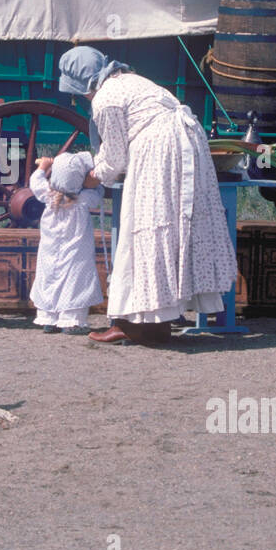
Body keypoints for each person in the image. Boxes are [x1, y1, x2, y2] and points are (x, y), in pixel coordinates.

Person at [58, 45, 237, 344]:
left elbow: (115, 158)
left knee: (145, 229)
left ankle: (134, 325)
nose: (81, 98)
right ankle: (156, 322)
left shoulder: (105, 99)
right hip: (188, 142)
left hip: (161, 149)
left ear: (85, 83)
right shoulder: (131, 80)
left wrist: (92, 178)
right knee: (172, 228)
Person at [29, 151, 105, 334]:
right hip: (76, 250)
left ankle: (48, 317)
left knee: (49, 274)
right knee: (76, 276)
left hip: (50, 248)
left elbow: (35, 181)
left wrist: (42, 167)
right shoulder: (84, 199)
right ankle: (72, 320)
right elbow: (98, 192)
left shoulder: (48, 195)